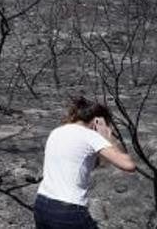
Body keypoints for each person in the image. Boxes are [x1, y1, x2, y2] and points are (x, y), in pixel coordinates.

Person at [34, 96, 137, 228]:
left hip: (42, 203)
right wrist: (108, 137)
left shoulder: (56, 132)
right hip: (68, 209)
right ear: (98, 121)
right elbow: (128, 165)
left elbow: (85, 163)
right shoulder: (90, 135)